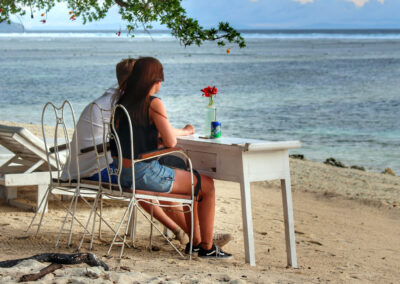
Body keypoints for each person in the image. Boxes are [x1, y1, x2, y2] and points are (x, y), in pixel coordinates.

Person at [111, 57, 232, 259]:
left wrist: (159, 138)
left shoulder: (122, 102)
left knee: (190, 182)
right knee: (207, 186)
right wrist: (184, 132)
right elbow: (171, 142)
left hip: (122, 174)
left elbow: (132, 137)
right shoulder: (153, 103)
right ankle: (207, 247)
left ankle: (195, 243)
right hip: (142, 173)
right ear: (154, 80)